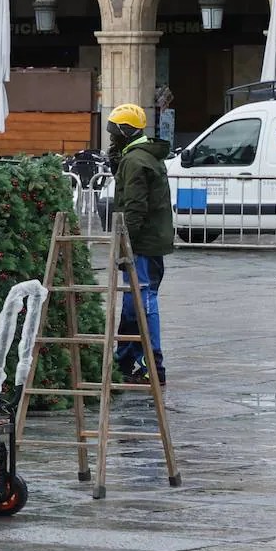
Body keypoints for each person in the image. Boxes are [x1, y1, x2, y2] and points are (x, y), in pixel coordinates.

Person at [106, 102, 172, 387]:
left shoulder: (135, 161)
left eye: (113, 133)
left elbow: (134, 207)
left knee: (144, 301)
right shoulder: (140, 157)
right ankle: (125, 359)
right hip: (150, 241)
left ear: (125, 132)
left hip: (142, 243)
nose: (110, 137)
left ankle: (153, 364)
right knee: (134, 303)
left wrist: (124, 244)